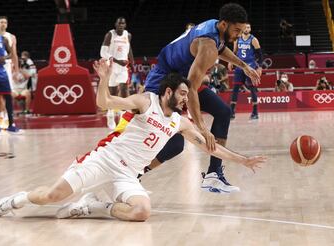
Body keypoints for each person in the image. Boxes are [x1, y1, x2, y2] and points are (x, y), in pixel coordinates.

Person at [0, 59, 266, 221]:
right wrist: (104, 80)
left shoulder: (180, 122)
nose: (186, 99)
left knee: (142, 212)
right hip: (103, 160)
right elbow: (106, 103)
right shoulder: (145, 101)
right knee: (52, 196)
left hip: (127, 174)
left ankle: (96, 206)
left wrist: (242, 160)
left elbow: (210, 146)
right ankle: (19, 200)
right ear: (168, 91)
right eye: (183, 94)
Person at [111, 3, 260, 193]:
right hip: (162, 83)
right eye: (237, 30)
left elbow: (221, 49)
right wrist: (202, 128)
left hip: (181, 80)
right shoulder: (207, 47)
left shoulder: (216, 29)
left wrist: (243, 66)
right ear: (224, 24)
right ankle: (131, 176)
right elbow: (190, 90)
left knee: (223, 112)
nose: (239, 34)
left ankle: (213, 175)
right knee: (175, 144)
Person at [100, 17, 134, 129]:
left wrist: (132, 61)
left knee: (124, 89)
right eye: (119, 23)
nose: (121, 25)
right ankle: (110, 114)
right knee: (113, 92)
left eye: (123, 23)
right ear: (115, 24)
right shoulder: (110, 34)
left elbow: (128, 48)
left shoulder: (127, 35)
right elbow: (103, 52)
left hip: (123, 68)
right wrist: (118, 61)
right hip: (112, 67)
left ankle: (123, 115)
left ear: (125, 25)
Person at [228, 23, 263, 120]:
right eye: (246, 27)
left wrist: (259, 67)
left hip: (250, 66)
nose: (247, 29)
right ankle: (231, 112)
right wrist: (230, 62)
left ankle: (255, 112)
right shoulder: (237, 39)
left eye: (249, 27)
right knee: (235, 88)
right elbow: (234, 52)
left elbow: (260, 55)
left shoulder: (253, 39)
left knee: (252, 89)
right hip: (239, 67)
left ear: (250, 29)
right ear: (242, 28)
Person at [0, 16, 19, 128]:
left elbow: (14, 53)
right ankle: (1, 115)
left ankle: (7, 115)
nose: (3, 24)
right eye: (1, 22)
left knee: (7, 92)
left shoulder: (11, 36)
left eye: (5, 22)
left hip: (7, 66)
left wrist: (17, 69)